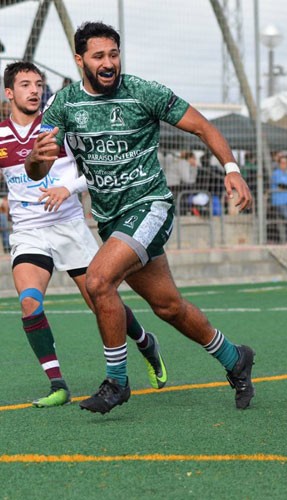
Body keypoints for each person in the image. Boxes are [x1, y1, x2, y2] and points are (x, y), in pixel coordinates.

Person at [26, 21, 256, 414]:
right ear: (80, 60)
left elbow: (202, 126)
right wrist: (35, 160)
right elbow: (36, 168)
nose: (109, 63)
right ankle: (235, 358)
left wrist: (232, 168)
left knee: (99, 281)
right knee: (168, 307)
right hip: (113, 221)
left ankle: (117, 382)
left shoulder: (143, 92)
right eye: (99, 56)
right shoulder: (64, 104)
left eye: (113, 54)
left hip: (150, 206)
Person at [1, 61, 167, 407]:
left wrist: (68, 188)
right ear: (9, 93)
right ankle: (57, 385)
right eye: (25, 84)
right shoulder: (1, 136)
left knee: (101, 302)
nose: (34, 90)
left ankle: (145, 342)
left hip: (70, 227)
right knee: (30, 303)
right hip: (29, 231)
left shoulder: (60, 126)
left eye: (38, 84)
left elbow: (99, 168)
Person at [270, 154, 287, 242]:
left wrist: (285, 186)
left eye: (286, 163)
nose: (285, 165)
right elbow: (282, 184)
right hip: (279, 201)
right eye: (283, 163)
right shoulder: (276, 173)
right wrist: (286, 186)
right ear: (279, 164)